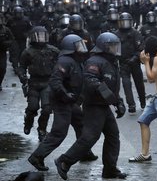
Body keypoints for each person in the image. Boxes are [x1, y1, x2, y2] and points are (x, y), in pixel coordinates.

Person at [54, 32, 127, 180]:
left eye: (115, 46)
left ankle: (110, 169)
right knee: (90, 137)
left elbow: (112, 86)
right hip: (93, 106)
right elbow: (91, 80)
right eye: (111, 47)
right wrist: (112, 99)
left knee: (113, 136)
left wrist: (118, 101)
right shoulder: (94, 61)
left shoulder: (112, 61)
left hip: (103, 106)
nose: (115, 49)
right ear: (103, 47)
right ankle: (64, 161)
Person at [28, 34, 97, 172]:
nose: (81, 48)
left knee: (81, 124)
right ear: (70, 47)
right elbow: (55, 81)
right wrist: (65, 94)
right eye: (78, 45)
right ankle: (37, 156)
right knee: (59, 133)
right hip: (61, 102)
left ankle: (84, 152)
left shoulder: (77, 60)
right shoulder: (65, 61)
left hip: (70, 102)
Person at [17, 26, 60, 141]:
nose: (41, 39)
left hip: (48, 83)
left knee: (46, 109)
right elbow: (21, 66)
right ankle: (28, 122)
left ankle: (42, 129)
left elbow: (61, 62)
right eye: (38, 36)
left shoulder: (53, 50)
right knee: (32, 107)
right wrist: (22, 76)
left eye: (43, 36)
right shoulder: (28, 52)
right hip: (34, 83)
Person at [115, 12, 146, 113]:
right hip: (123, 63)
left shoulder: (135, 33)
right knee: (126, 84)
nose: (125, 24)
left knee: (139, 83)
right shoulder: (116, 34)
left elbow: (141, 47)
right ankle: (131, 105)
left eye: (127, 22)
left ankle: (143, 101)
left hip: (135, 62)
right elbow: (114, 49)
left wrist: (135, 57)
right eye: (123, 22)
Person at [0, 13, 14, 91]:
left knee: (2, 68)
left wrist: (6, 44)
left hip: (2, 52)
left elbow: (12, 39)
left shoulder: (6, 29)